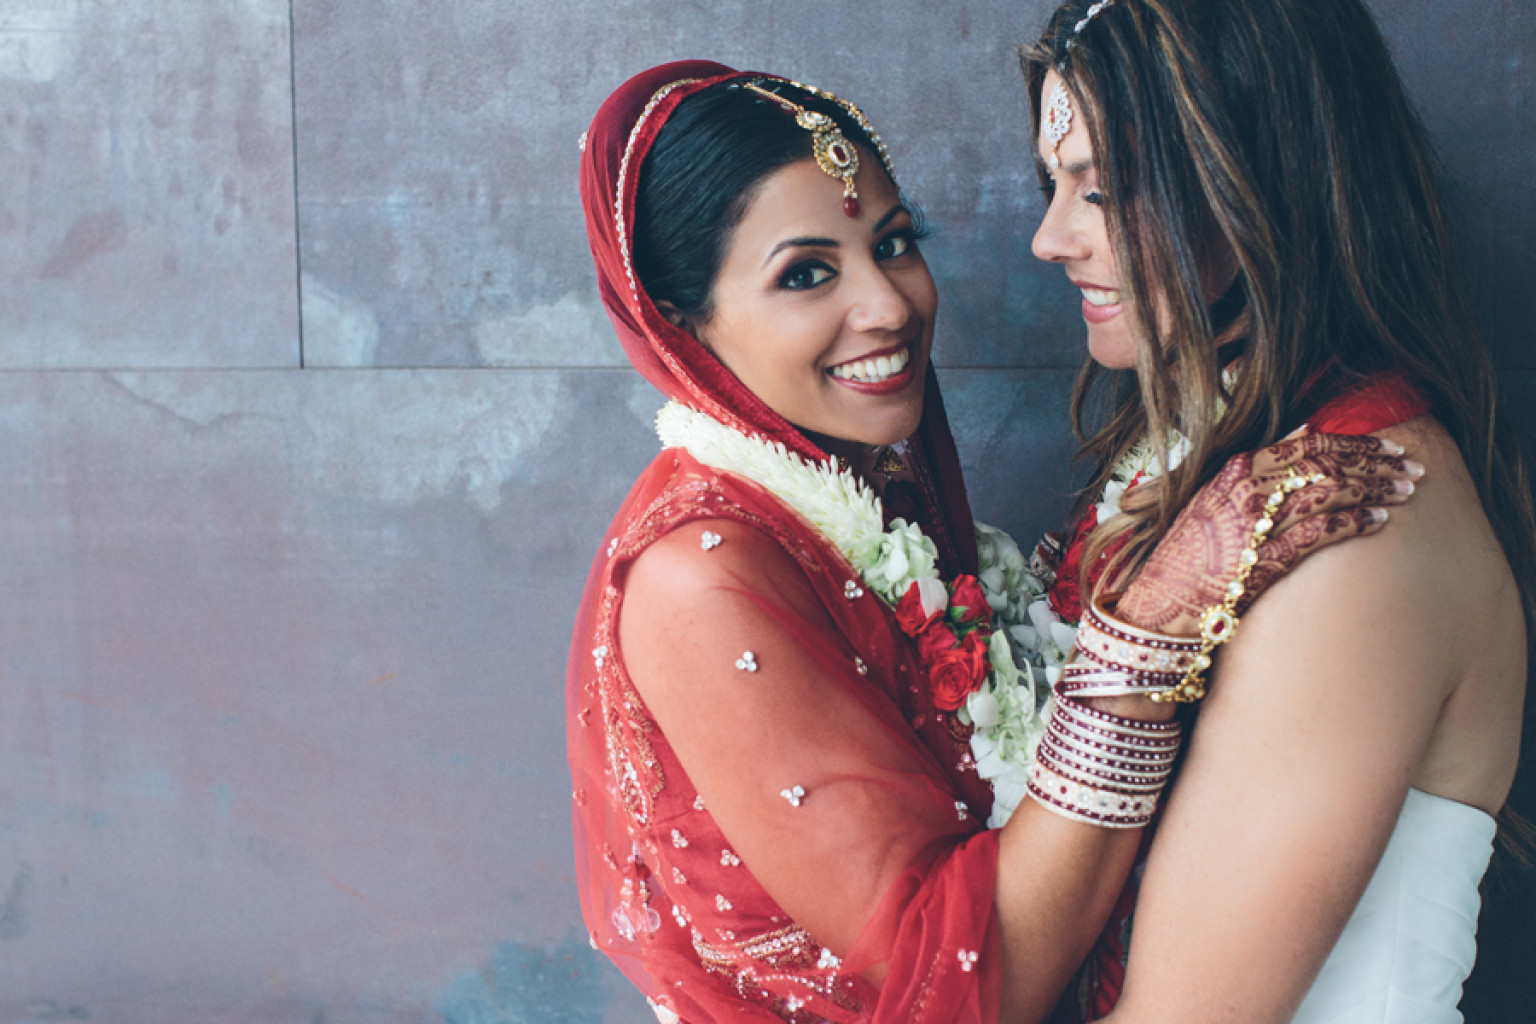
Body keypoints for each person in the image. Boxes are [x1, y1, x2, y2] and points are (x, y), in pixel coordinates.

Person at [568, 59, 1413, 1023]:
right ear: (680, 327)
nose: (887, 305)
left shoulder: (861, 493)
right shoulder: (701, 581)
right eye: (806, 273)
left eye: (893, 243)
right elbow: (971, 984)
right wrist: (1139, 641)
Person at [1019, 1, 1534, 1020]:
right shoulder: (1214, 447)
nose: (1048, 238)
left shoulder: (1358, 531)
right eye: (1053, 185)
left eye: (1104, 191)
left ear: (1257, 179)